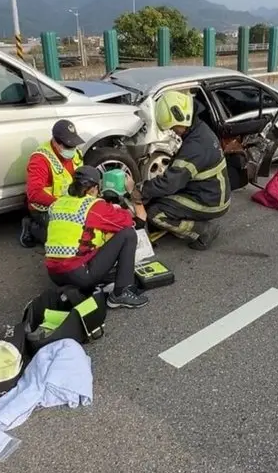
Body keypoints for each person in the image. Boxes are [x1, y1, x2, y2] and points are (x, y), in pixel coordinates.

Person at [134, 90, 231, 251]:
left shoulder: (196, 146)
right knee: (158, 200)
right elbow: (176, 173)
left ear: (182, 118)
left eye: (173, 127)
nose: (172, 131)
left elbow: (171, 183)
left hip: (210, 201)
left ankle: (204, 230)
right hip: (208, 191)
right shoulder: (198, 130)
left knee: (155, 213)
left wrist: (142, 190)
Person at [45, 166, 149, 309]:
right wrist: (132, 191)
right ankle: (120, 294)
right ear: (94, 188)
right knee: (127, 234)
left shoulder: (57, 203)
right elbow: (139, 220)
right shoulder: (94, 207)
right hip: (79, 273)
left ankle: (80, 286)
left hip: (55, 274)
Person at [20, 119, 86, 247]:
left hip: (70, 204)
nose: (72, 148)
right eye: (67, 146)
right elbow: (34, 194)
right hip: (45, 208)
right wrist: (61, 204)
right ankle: (32, 227)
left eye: (73, 144)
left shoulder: (76, 153)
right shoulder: (41, 159)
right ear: (55, 142)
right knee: (64, 238)